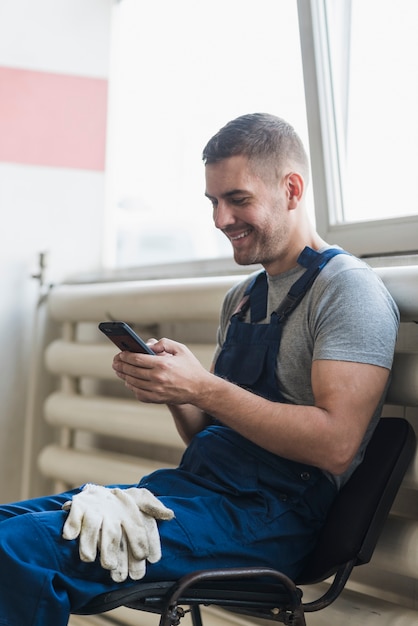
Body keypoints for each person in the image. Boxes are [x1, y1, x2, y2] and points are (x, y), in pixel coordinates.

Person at [0, 113, 399, 625]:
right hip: (195, 496)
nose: (220, 219)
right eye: (213, 201)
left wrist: (203, 387)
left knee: (19, 550)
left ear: (292, 189)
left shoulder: (349, 292)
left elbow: (336, 445)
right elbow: (211, 436)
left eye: (238, 199)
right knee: (7, 528)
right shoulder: (241, 299)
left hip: (271, 520)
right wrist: (176, 391)